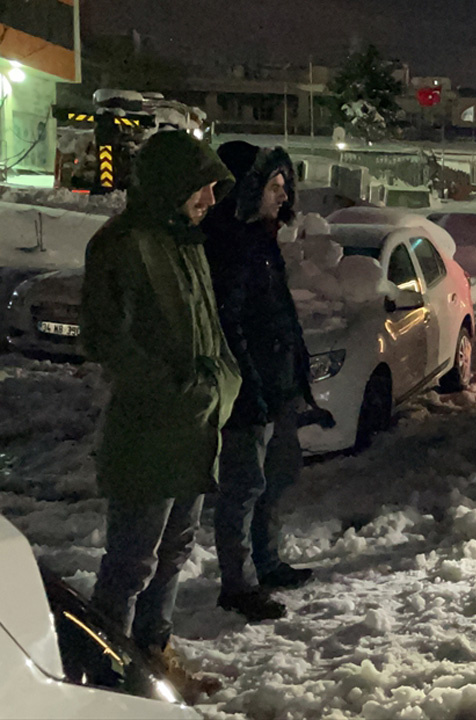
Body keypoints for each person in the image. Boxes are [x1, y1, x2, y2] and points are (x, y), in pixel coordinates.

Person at [81, 131, 241, 696]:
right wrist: (179, 391)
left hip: (193, 427)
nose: (211, 201)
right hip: (149, 433)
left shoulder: (187, 241)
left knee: (173, 552)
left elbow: (210, 330)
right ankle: (104, 677)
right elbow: (108, 341)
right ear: (173, 184)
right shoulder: (120, 244)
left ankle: (152, 656)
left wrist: (222, 381)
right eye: (203, 188)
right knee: (131, 564)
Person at [203, 142, 333, 621]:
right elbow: (231, 324)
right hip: (248, 393)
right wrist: (249, 388)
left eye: (285, 187)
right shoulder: (229, 244)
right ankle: (238, 586)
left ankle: (268, 562)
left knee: (275, 478)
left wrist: (298, 379)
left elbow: (280, 318)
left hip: (276, 388)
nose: (282, 196)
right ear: (249, 188)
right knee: (244, 487)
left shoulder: (262, 239)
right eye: (274, 186)